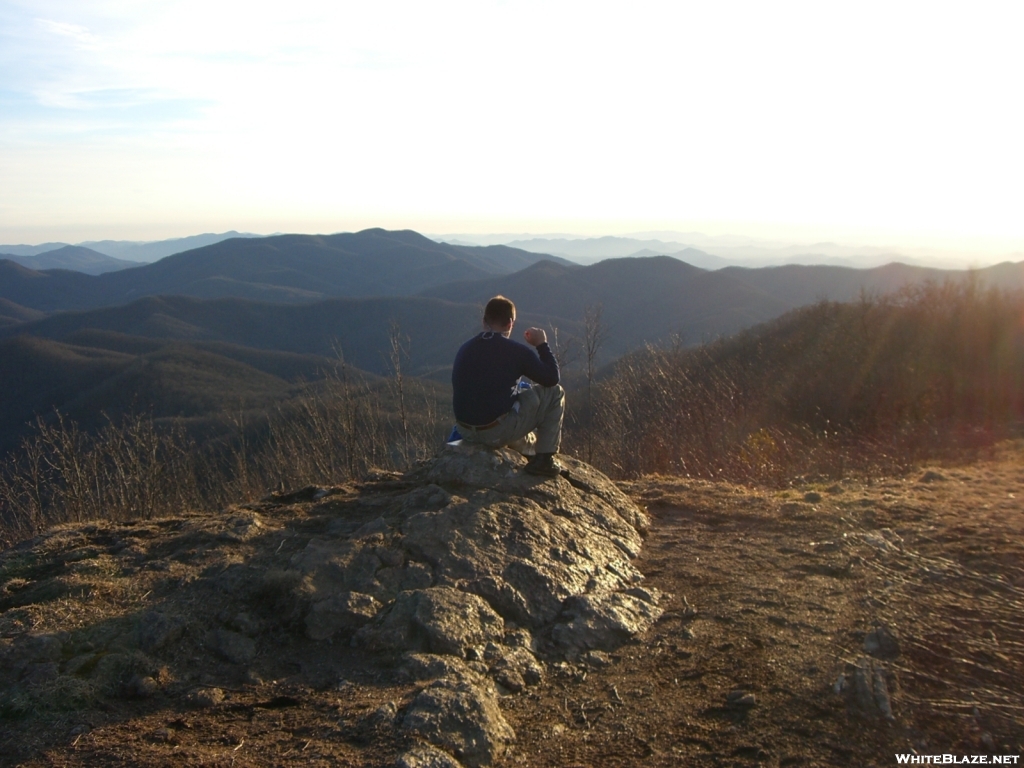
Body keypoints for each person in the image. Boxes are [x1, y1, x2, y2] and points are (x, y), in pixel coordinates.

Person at [452, 295, 565, 477]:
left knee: (520, 394)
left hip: (465, 430)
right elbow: (552, 379)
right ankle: (544, 460)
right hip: (494, 431)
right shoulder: (516, 351)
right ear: (510, 324)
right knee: (555, 394)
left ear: (484, 322)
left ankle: (529, 448)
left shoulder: (465, 348)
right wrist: (542, 345)